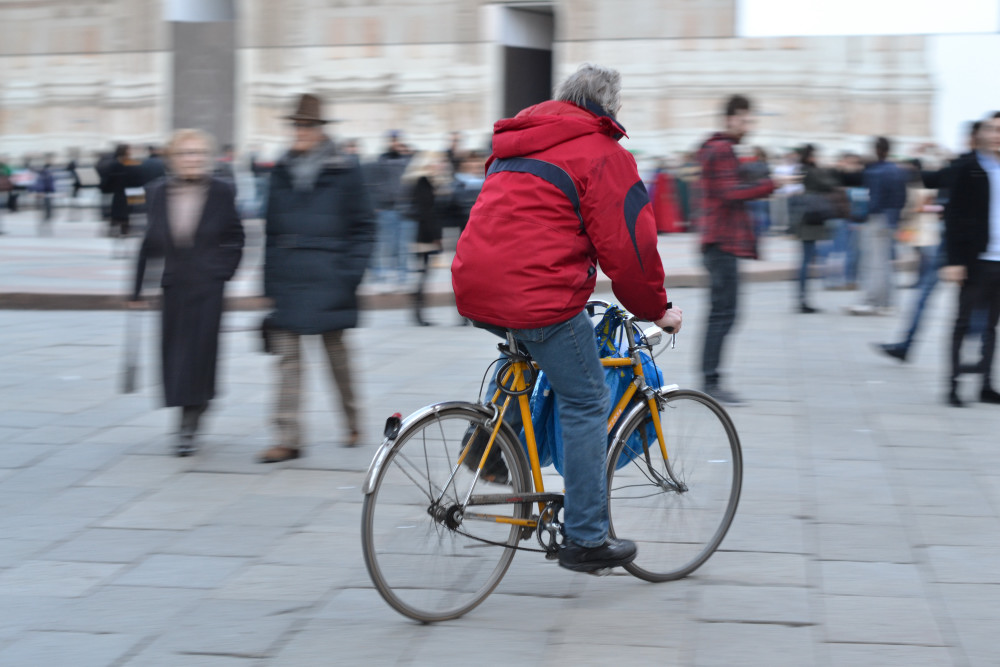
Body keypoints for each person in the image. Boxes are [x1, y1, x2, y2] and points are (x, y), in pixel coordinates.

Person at [452, 63, 683, 574]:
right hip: (538, 295)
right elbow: (631, 251)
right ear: (608, 108)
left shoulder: (518, 141)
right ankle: (585, 537)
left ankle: (489, 453)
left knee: (532, 357)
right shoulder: (602, 154)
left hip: (473, 284)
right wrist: (656, 310)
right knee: (586, 398)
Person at [258, 93, 376, 463]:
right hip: (290, 277)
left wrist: (349, 274)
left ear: (320, 130)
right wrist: (268, 283)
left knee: (336, 358)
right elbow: (271, 231)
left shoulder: (345, 169)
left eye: (306, 126)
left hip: (331, 277)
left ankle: (352, 420)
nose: (300, 131)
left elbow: (365, 227)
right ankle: (287, 436)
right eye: (296, 125)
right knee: (287, 360)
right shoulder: (280, 169)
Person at [129, 129, 245, 457]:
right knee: (176, 354)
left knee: (202, 352)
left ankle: (190, 422)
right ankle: (188, 409)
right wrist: (136, 287)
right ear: (171, 159)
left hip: (209, 286)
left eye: (198, 153)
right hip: (174, 284)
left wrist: (223, 272)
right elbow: (149, 241)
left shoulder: (222, 191)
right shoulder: (155, 192)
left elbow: (236, 237)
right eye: (185, 153)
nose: (192, 159)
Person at [696, 94, 775, 406]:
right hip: (721, 242)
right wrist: (771, 185)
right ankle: (710, 380)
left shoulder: (717, 148)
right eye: (744, 120)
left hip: (718, 242)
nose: (748, 127)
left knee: (724, 313)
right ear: (730, 119)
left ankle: (710, 376)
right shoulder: (722, 149)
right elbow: (730, 192)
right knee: (723, 313)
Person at [942, 113, 1000, 407]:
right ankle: (952, 386)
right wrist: (953, 260)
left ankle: (986, 385)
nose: (997, 135)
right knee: (963, 323)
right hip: (975, 259)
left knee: (991, 326)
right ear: (985, 134)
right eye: (994, 129)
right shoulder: (969, 168)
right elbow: (953, 217)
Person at [849, 137, 908, 315]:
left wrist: (862, 217)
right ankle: (887, 302)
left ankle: (873, 301)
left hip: (877, 218)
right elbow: (902, 198)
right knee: (885, 262)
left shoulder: (875, 171)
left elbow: (871, 200)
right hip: (891, 218)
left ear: (876, 150)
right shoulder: (897, 171)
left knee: (874, 262)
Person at [401, 151, 448, 326]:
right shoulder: (423, 182)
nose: (440, 165)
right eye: (437, 162)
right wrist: (436, 237)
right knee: (423, 275)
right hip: (424, 237)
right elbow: (426, 212)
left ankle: (419, 313)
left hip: (425, 235)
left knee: (423, 275)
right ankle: (418, 313)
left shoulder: (429, 182)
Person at [791, 144, 839, 313]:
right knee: (806, 259)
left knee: (806, 258)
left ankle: (802, 298)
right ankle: (802, 300)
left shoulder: (802, 169)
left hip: (805, 216)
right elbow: (829, 183)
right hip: (811, 218)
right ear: (810, 156)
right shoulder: (812, 170)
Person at [368, 130, 412, 287]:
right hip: (385, 208)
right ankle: (380, 272)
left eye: (397, 140)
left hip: (405, 208)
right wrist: (376, 205)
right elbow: (373, 184)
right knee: (383, 243)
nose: (395, 143)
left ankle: (402, 273)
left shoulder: (408, 160)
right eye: (392, 140)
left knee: (402, 244)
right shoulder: (381, 160)